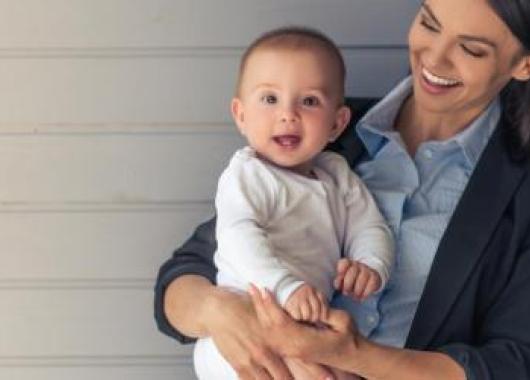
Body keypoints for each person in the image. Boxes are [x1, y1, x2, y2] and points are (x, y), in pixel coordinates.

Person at [155, 0, 530, 378]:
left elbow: (514, 364)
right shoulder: (312, 125)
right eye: (429, 24)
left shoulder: (518, 190)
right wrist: (222, 312)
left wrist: (354, 355)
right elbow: (187, 272)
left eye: (471, 49)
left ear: (524, 64)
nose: (434, 58)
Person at [192, 27, 394, 380]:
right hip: (243, 330)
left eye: (310, 101)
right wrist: (286, 287)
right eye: (270, 99)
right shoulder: (247, 175)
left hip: (303, 331)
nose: (288, 114)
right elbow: (239, 238)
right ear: (240, 115)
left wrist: (370, 264)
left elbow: (370, 226)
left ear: (337, 122)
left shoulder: (337, 174)